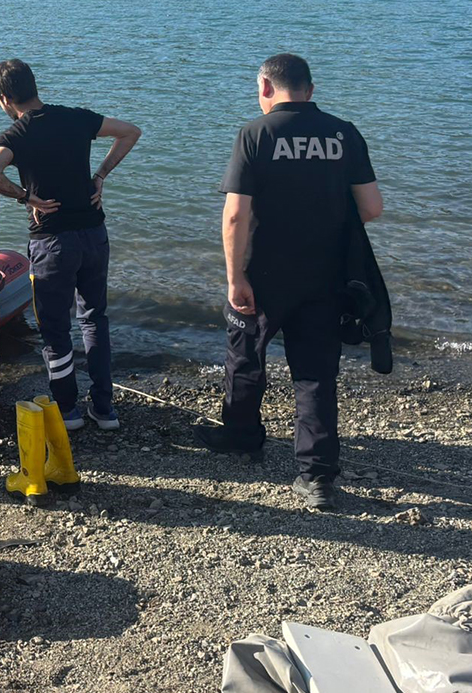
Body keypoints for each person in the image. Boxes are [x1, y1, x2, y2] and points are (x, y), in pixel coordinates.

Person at [192, 54, 384, 510]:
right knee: (316, 373)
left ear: (264, 87)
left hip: (263, 273)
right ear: (310, 90)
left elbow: (236, 214)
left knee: (245, 357)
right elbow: (372, 207)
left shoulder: (255, 134)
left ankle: (241, 437)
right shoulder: (344, 133)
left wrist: (234, 277)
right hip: (326, 274)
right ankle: (316, 478)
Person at [0, 58, 142, 431]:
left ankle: (68, 409)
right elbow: (130, 131)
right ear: (34, 87)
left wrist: (26, 197)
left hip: (51, 242)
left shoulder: (17, 134)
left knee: (55, 328)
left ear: (5, 98)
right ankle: (104, 408)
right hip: (93, 234)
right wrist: (100, 176)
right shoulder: (76, 117)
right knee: (94, 319)